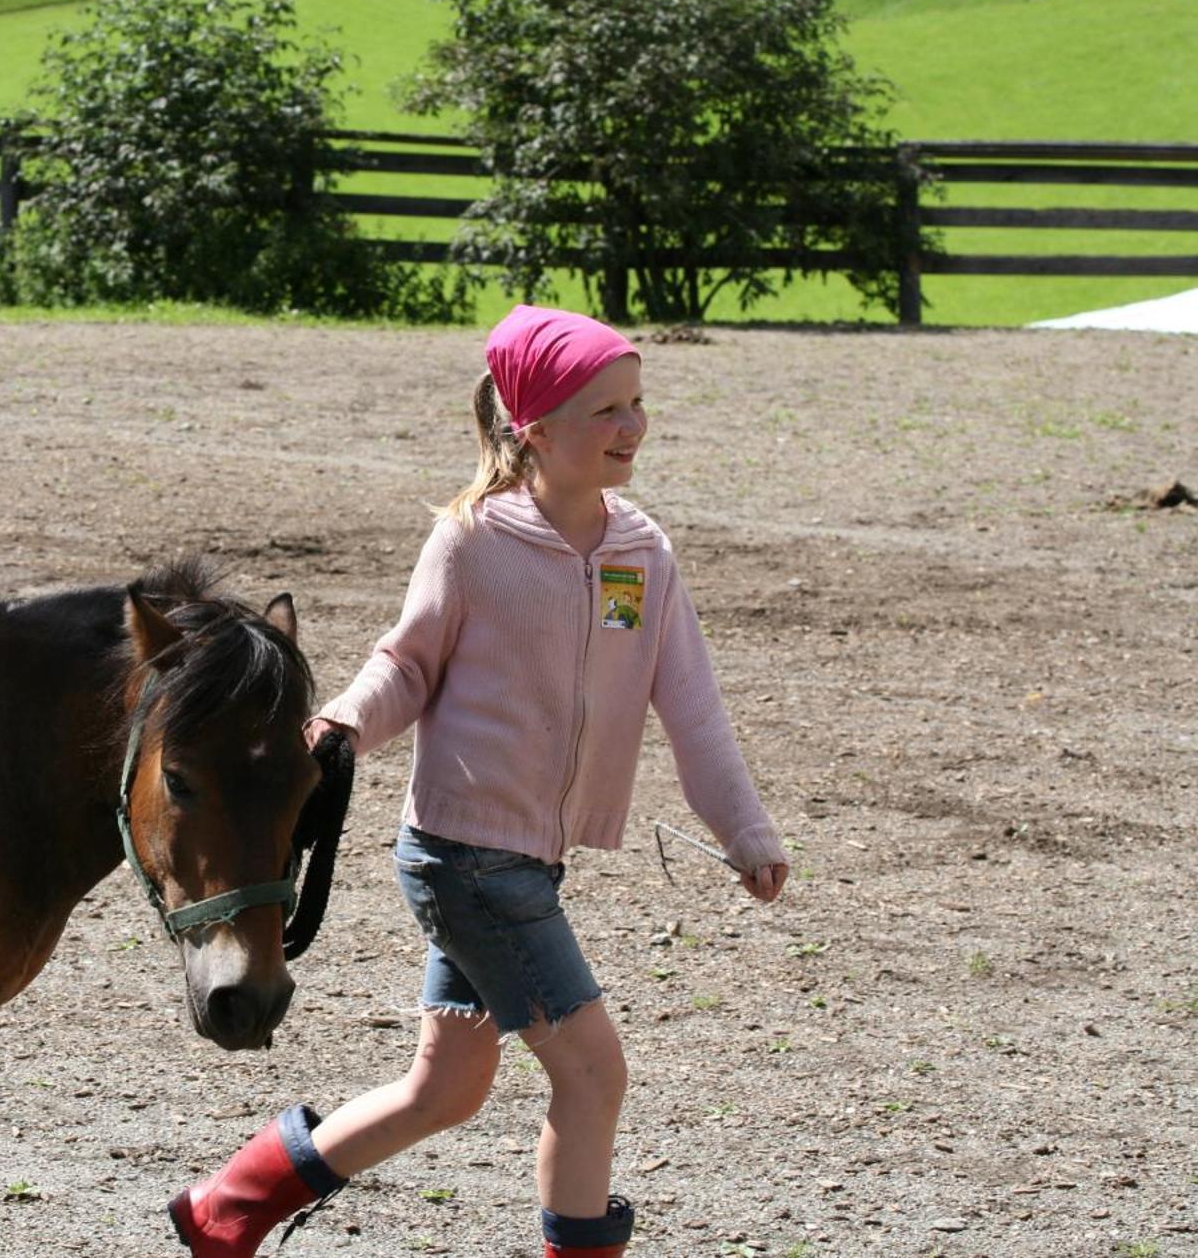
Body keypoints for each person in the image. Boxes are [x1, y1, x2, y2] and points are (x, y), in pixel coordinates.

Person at [168, 306, 789, 1258]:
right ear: (534, 425)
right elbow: (407, 665)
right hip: (466, 857)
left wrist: (745, 829)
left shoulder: (641, 553)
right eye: (605, 410)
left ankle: (230, 1204)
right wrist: (339, 721)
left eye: (637, 404)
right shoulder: (473, 541)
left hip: (525, 859)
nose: (632, 427)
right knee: (592, 1075)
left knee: (446, 1087)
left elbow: (693, 705)